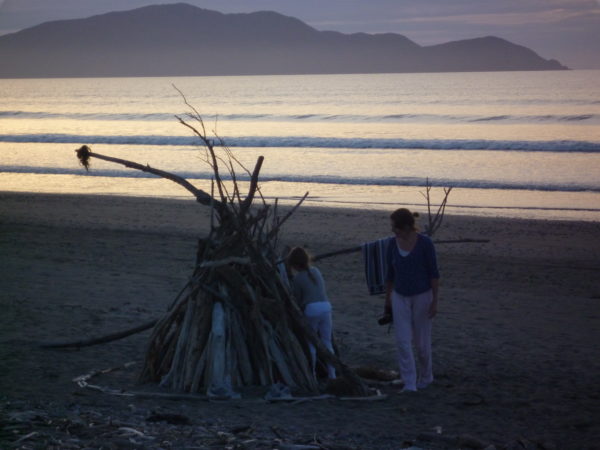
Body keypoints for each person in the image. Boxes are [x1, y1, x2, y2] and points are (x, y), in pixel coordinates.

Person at [385, 208, 439, 392]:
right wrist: (388, 299)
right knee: (402, 341)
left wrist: (435, 301)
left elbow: (434, 273)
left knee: (422, 344)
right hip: (399, 296)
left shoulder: (425, 243)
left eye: (396, 227)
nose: (393, 230)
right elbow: (390, 274)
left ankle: (426, 376)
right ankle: (409, 382)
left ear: (407, 226)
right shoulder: (392, 244)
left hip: (423, 295)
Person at [287, 247, 336, 380]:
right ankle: (333, 375)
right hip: (326, 307)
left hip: (311, 309)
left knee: (311, 343)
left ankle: (312, 375)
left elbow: (298, 299)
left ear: (295, 265)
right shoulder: (316, 271)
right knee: (327, 342)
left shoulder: (298, 278)